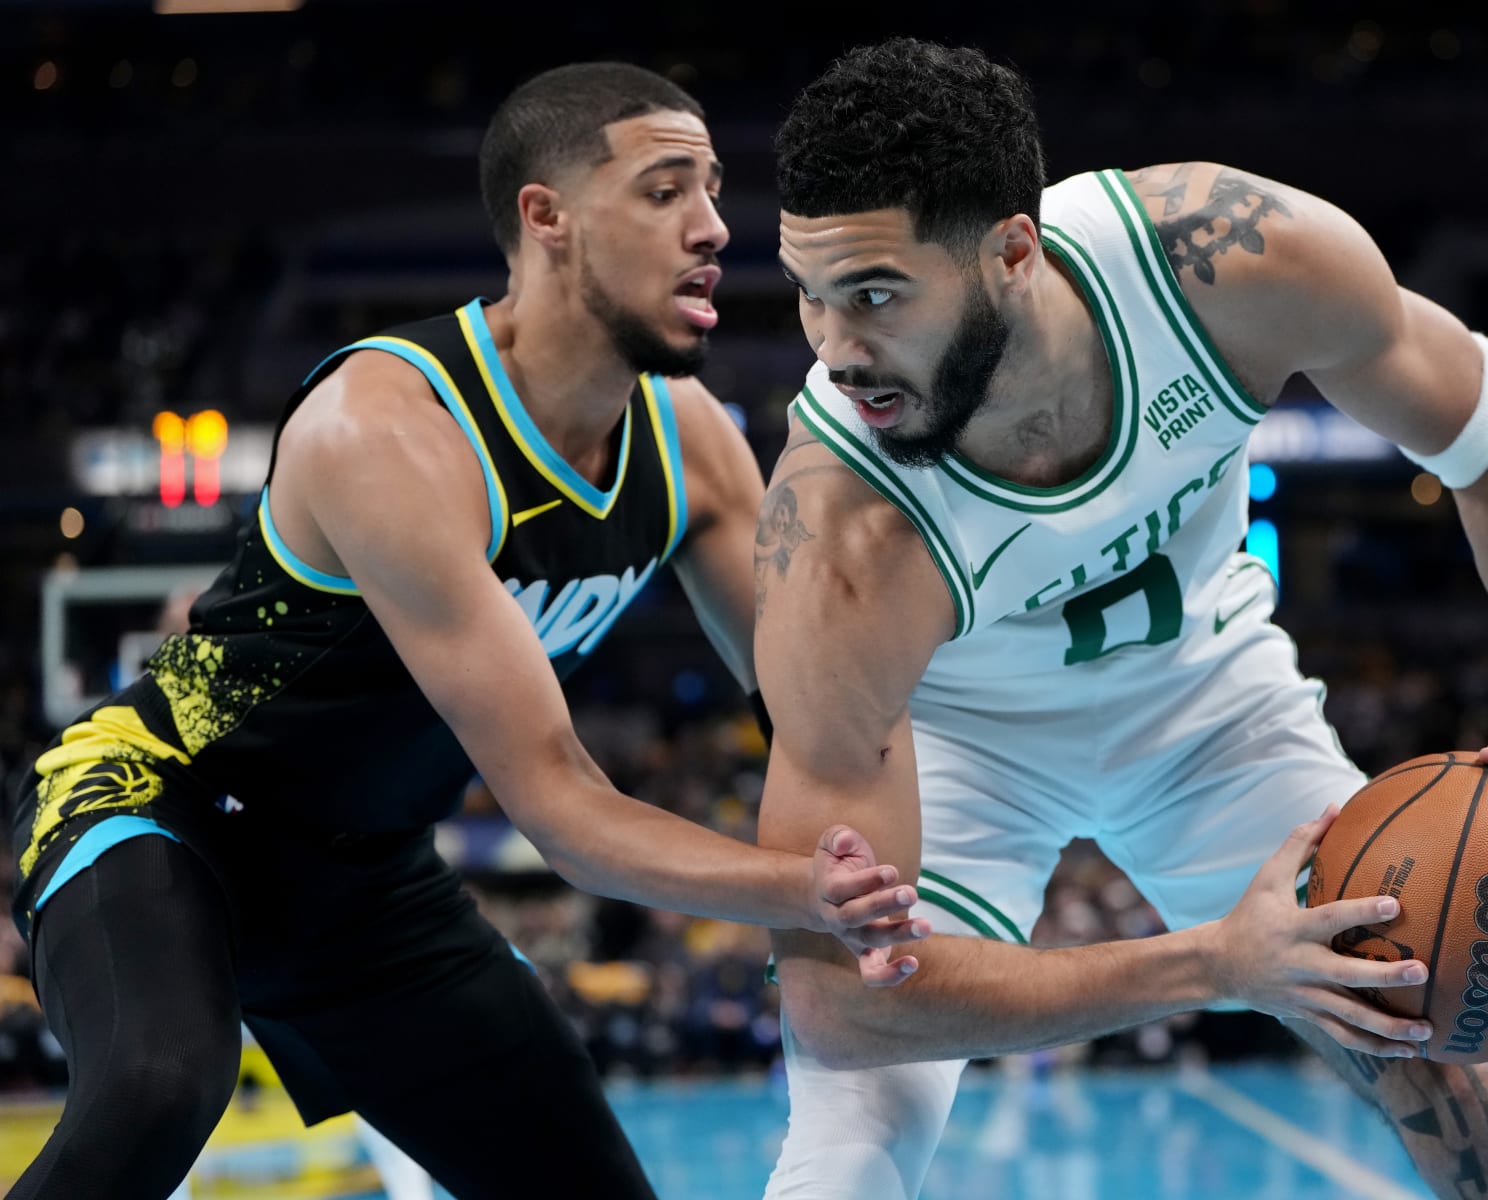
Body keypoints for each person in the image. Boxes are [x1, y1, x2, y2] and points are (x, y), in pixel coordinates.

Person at [6, 62, 925, 1200]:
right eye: (665, 190)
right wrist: (803, 889)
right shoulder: (388, 426)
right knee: (157, 1088)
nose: (712, 230)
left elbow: (810, 708)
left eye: (716, 190)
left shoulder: (689, 443)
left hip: (361, 880)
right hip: (158, 802)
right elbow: (562, 808)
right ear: (546, 219)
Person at [752, 39, 1488, 1200]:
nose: (833, 346)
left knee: (1466, 1107)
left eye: (873, 294)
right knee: (841, 1165)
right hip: (958, 754)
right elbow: (832, 1009)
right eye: (808, 293)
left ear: (1013, 252)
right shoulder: (838, 537)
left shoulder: (1227, 262)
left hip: (1209, 709)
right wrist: (1213, 965)